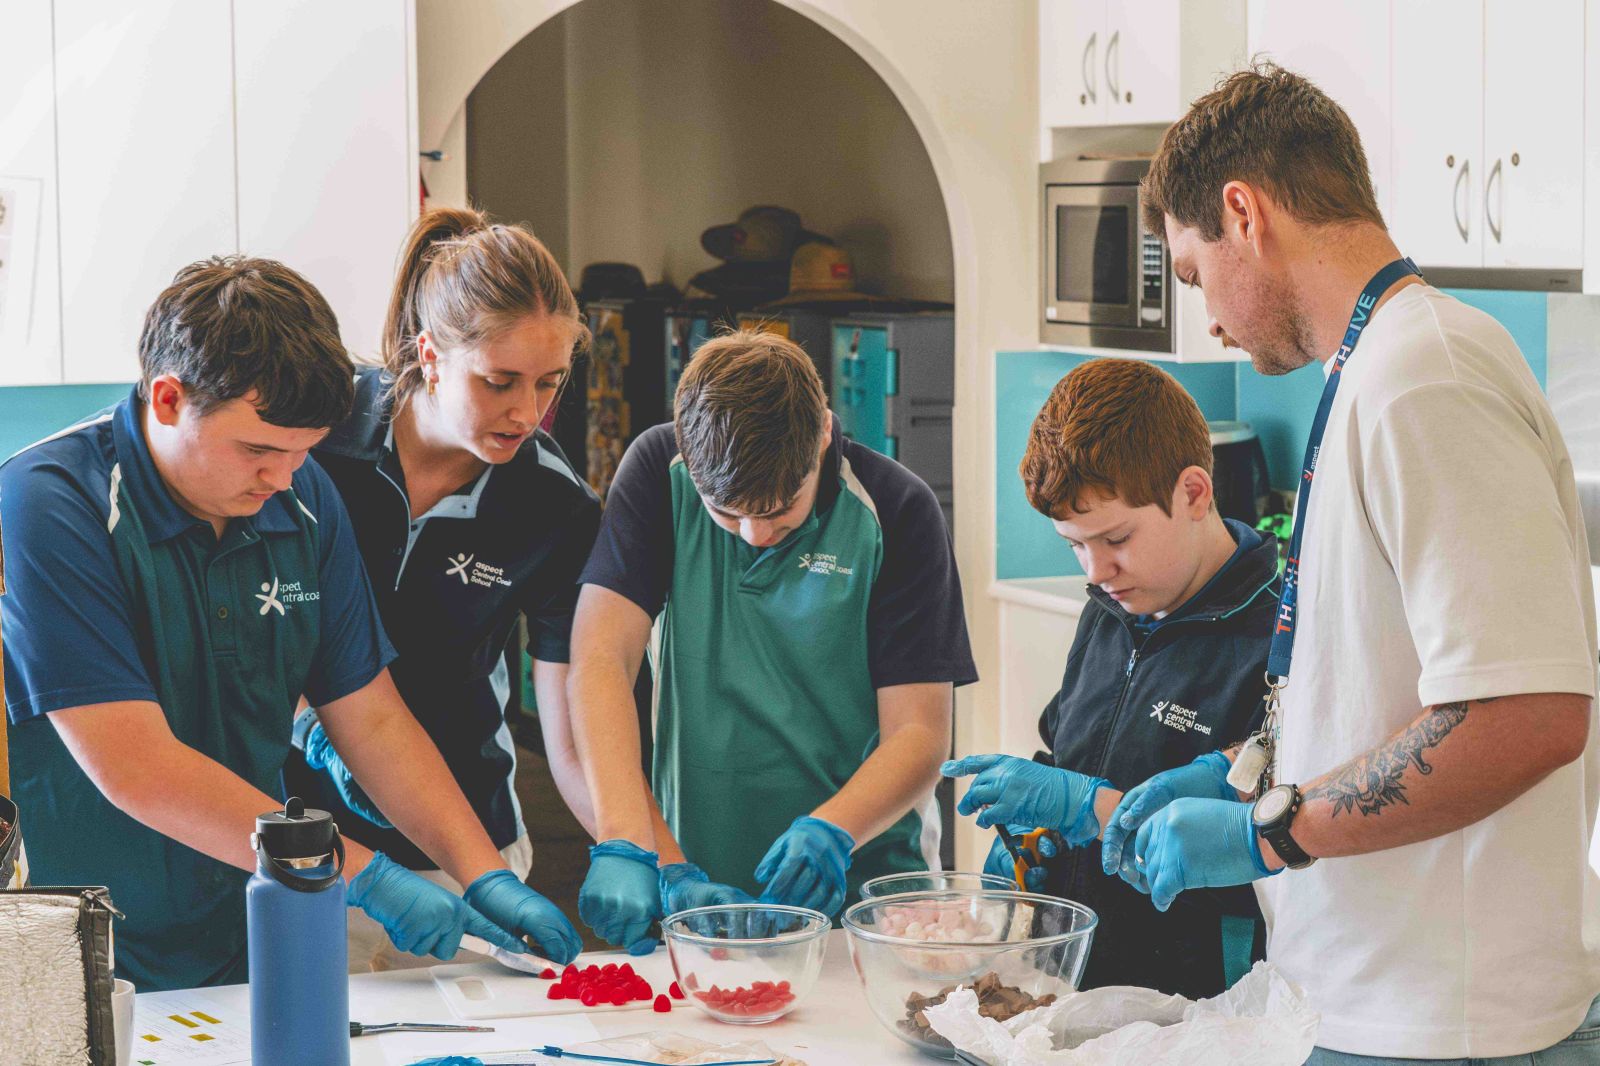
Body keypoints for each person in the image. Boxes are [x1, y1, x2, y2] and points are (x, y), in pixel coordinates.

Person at [1107, 63, 1600, 1062]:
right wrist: (1243, 775)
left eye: (1197, 275)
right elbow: (1377, 684)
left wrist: (1265, 832)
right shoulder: (1371, 371)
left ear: (1242, 212)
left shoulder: (1428, 378)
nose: (1206, 319)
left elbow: (1527, 714)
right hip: (1365, 998)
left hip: (1444, 1023)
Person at [0, 256, 580, 992]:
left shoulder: (301, 490)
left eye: (304, 451)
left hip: (242, 916)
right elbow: (134, 766)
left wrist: (482, 872)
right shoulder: (49, 499)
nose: (283, 478)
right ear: (170, 399)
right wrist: (363, 874)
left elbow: (368, 714)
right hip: (85, 936)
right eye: (259, 450)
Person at [568, 330, 976, 952]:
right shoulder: (658, 471)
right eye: (727, 513)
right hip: (697, 884)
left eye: (780, 508)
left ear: (821, 438)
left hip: (867, 893)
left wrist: (834, 829)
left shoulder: (897, 509)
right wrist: (637, 846)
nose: (755, 533)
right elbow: (600, 660)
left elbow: (921, 733)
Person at [281, 207, 601, 971]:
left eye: (549, 385)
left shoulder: (553, 505)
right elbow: (251, 623)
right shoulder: (310, 440)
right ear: (429, 355)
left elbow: (570, 717)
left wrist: (627, 844)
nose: (527, 413)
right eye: (500, 383)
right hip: (291, 835)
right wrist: (316, 729)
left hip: (460, 845)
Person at [943, 356, 1278, 997]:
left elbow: (1274, 842)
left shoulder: (1278, 633)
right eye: (1075, 545)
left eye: (1116, 538)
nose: (1095, 570)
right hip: (1075, 985)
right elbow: (1070, 750)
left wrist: (1086, 808)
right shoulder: (1111, 605)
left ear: (1194, 493)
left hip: (1196, 1004)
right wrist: (1037, 836)